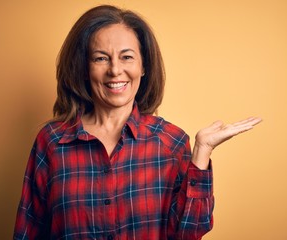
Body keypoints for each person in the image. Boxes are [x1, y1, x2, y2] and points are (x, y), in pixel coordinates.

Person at [13, 5, 261, 240]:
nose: (115, 70)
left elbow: (188, 234)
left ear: (143, 66)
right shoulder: (52, 142)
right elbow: (28, 231)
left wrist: (202, 152)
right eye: (101, 58)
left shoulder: (170, 142)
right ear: (84, 68)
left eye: (127, 57)